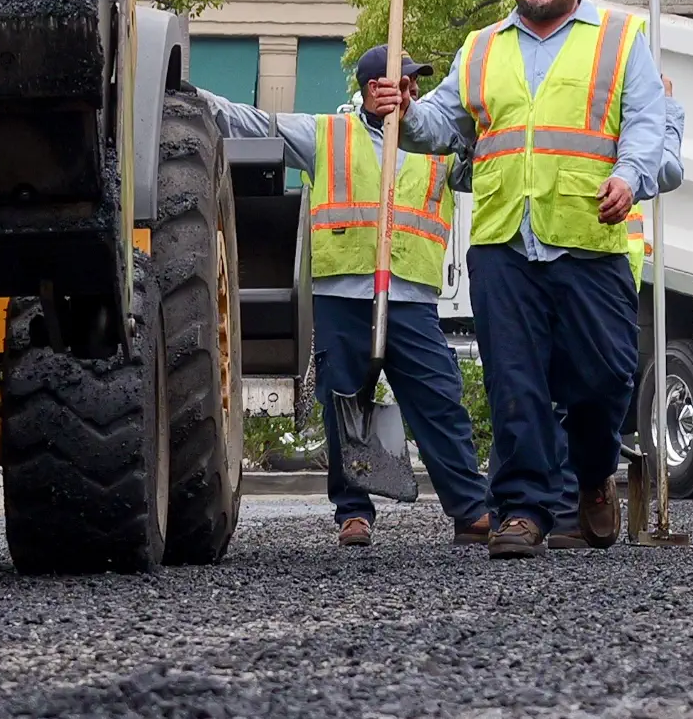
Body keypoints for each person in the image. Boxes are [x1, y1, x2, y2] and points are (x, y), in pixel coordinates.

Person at [380, 0, 681, 558]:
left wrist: (630, 177)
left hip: (589, 238)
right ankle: (522, 509)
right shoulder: (482, 47)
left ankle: (593, 476)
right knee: (514, 382)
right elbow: (441, 124)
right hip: (502, 243)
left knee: (601, 383)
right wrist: (404, 111)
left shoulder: (622, 38)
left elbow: (649, 125)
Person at [199, 48, 491, 548]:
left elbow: (482, 160)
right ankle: (353, 513)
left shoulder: (436, 141)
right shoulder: (329, 135)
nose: (411, 92)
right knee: (344, 404)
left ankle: (470, 510)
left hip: (411, 298)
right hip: (343, 294)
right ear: (371, 87)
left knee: (441, 401)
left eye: (414, 84)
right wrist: (192, 96)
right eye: (401, 83)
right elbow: (251, 122)